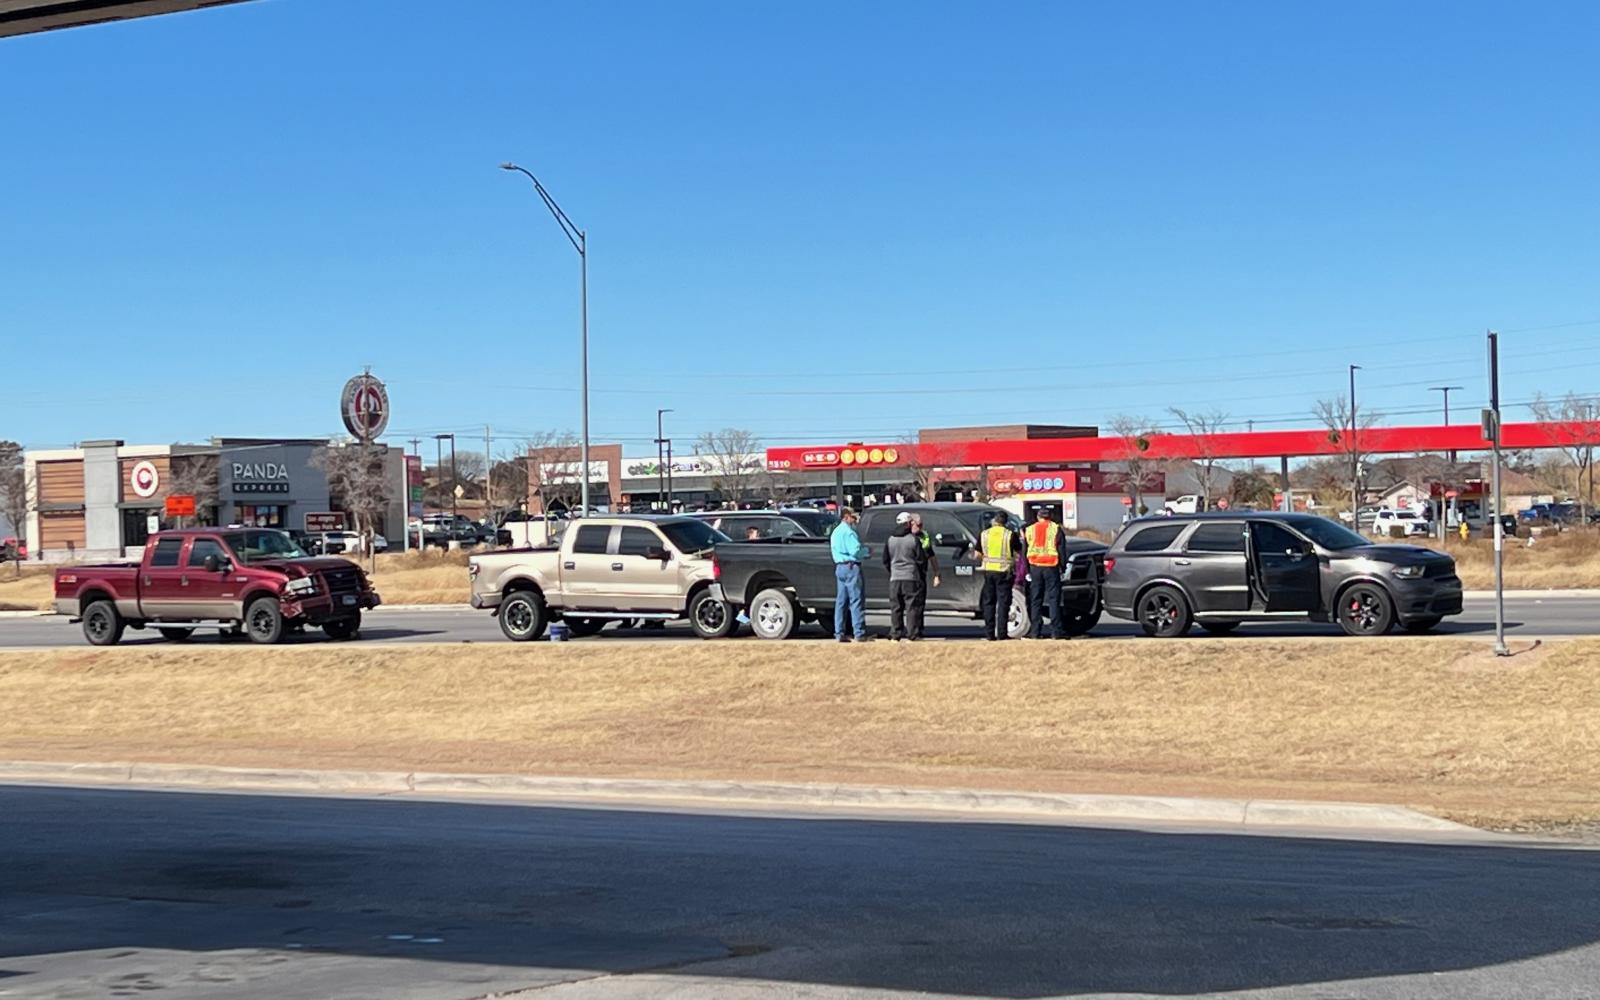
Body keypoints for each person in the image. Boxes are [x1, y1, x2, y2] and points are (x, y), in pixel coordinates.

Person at [1024, 507, 1069, 639]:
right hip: (1051, 566)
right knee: (1054, 599)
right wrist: (1063, 567)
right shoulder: (1056, 528)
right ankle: (1056, 631)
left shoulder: (1030, 529)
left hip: (1035, 566)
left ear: (1038, 517)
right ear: (1050, 517)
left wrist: (1027, 570)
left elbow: (1025, 550)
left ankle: (1035, 632)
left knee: (1035, 600)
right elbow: (1062, 549)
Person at [979, 511, 1025, 640]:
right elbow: (1019, 551)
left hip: (988, 572)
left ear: (995, 521)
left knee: (989, 603)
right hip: (1004, 572)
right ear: (1006, 522)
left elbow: (978, 553)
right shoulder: (1009, 535)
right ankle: (1002, 634)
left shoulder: (984, 534)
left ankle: (989, 634)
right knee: (1003, 603)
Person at [883, 512, 929, 640]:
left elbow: (885, 560)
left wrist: (892, 571)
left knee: (896, 607)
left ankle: (896, 633)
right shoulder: (913, 540)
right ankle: (912, 634)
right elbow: (921, 560)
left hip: (895, 578)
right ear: (908, 523)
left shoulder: (890, 540)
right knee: (911, 607)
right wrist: (921, 574)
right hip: (911, 577)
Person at [831, 507, 870, 642]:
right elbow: (855, 551)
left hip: (840, 567)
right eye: (853, 516)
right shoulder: (849, 532)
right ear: (846, 516)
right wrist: (867, 552)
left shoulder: (835, 532)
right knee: (856, 600)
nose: (855, 519)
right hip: (851, 567)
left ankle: (839, 633)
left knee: (841, 601)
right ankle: (859, 632)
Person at [906, 513, 942, 638]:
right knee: (909, 604)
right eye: (918, 525)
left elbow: (931, 555)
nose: (920, 527)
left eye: (922, 525)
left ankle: (919, 629)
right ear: (910, 523)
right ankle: (910, 631)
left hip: (921, 573)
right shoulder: (905, 536)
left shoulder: (924, 536)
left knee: (920, 603)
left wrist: (937, 573)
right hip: (908, 574)